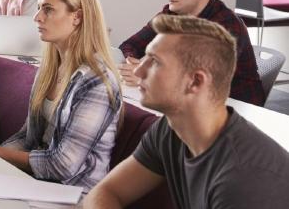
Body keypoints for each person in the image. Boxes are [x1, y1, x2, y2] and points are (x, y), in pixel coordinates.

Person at [85, 15, 289, 208]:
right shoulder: (171, 129)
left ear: (195, 81)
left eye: (154, 61)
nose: (139, 71)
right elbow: (105, 192)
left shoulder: (244, 179)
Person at [0, 0, 122, 193]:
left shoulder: (97, 82)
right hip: (39, 184)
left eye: (48, 10)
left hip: (73, 195)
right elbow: (27, 138)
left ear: (77, 17)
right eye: (38, 9)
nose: (37, 17)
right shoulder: (49, 69)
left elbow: (62, 165)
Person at [118, 0, 265, 106]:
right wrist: (132, 63)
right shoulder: (170, 13)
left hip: (236, 107)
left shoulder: (225, 25)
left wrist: (147, 76)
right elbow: (129, 45)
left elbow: (198, 79)